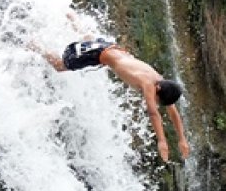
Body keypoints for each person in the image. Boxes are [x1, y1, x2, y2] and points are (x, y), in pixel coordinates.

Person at [31, 35, 189, 162]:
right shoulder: (148, 83)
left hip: (111, 47)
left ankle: (72, 17)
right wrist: (161, 141)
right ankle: (34, 44)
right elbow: (153, 113)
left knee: (88, 38)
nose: (153, 101)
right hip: (97, 55)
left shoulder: (159, 79)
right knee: (59, 66)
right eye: (156, 98)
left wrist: (182, 139)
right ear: (158, 89)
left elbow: (172, 111)